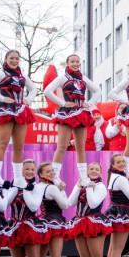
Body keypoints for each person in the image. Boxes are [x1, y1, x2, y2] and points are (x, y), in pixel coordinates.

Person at [0, 49, 37, 183]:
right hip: (5, 110)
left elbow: (33, 88)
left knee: (19, 146)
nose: (14, 61)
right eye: (11, 58)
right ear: (5, 59)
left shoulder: (22, 74)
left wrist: (28, 99)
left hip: (20, 110)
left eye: (17, 58)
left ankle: (18, 177)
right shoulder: (1, 73)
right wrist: (1, 98)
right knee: (3, 143)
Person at [45, 54, 101, 184]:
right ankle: (54, 177)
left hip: (81, 112)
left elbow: (98, 91)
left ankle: (84, 178)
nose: (75, 64)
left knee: (81, 147)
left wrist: (90, 103)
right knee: (62, 146)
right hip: (66, 113)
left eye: (77, 61)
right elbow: (47, 91)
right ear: (67, 63)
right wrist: (63, 103)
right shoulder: (63, 78)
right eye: (72, 62)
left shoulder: (83, 78)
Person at [30, 162, 73, 257]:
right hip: (54, 223)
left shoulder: (36, 187)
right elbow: (65, 205)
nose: (51, 173)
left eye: (52, 171)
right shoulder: (52, 188)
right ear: (41, 174)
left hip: (42, 223)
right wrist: (62, 190)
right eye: (47, 171)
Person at [68, 162, 110, 257]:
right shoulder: (83, 185)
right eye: (91, 169)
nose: (94, 171)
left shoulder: (101, 186)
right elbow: (70, 202)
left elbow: (93, 204)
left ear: (101, 172)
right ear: (86, 171)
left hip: (94, 222)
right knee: (83, 256)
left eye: (97, 169)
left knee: (97, 255)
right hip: (80, 221)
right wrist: (77, 186)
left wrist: (89, 188)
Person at [4, 159, 37, 257]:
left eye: (32, 169)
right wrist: (15, 187)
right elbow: (5, 203)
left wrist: (25, 189)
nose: (30, 172)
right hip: (14, 225)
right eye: (27, 169)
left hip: (30, 226)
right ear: (21, 171)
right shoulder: (14, 185)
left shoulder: (36, 186)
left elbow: (34, 207)